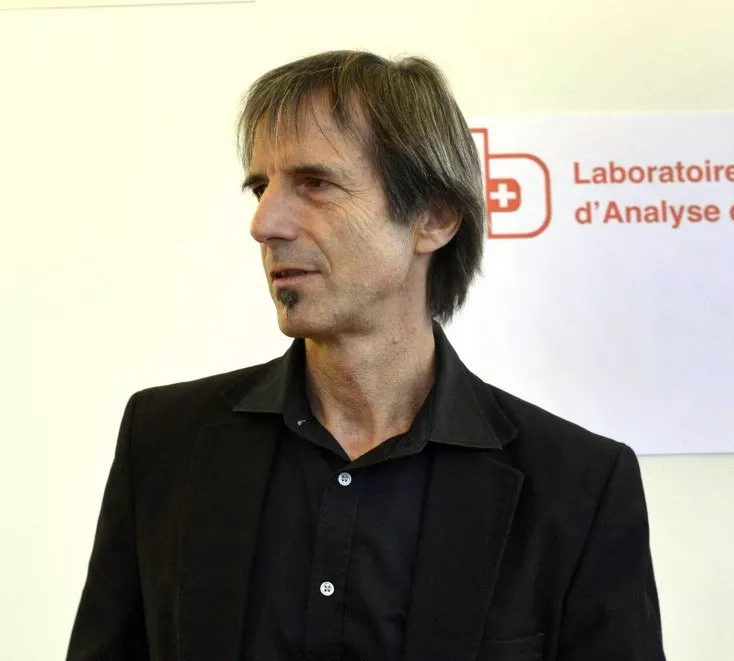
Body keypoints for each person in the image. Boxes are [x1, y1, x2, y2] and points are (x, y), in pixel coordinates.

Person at [67, 50, 664, 661]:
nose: (264, 223)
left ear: (434, 218)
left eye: (315, 184)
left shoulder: (578, 487)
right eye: (261, 188)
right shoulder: (163, 442)